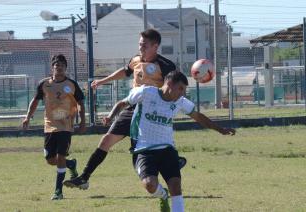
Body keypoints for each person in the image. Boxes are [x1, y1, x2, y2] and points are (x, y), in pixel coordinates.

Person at [63, 28, 186, 189]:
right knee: (106, 140)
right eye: (140, 44)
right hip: (131, 109)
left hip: (150, 113)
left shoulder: (166, 65)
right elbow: (125, 71)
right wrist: (102, 81)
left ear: (155, 46)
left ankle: (169, 163)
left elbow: (173, 89)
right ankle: (84, 177)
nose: (141, 48)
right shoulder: (136, 59)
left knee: (153, 145)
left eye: (144, 45)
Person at [102, 71, 235, 212]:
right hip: (144, 149)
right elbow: (122, 103)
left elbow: (199, 117)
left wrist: (220, 129)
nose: (182, 93)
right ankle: (163, 195)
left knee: (176, 186)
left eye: (184, 90)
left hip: (167, 149)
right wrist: (110, 116)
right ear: (169, 83)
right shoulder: (146, 92)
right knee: (149, 185)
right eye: (180, 88)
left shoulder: (180, 102)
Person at [22, 54, 86, 200]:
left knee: (61, 156)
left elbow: (80, 104)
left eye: (62, 66)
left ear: (65, 68)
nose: (59, 68)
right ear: (52, 68)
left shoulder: (71, 84)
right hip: (49, 126)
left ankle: (58, 191)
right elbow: (35, 101)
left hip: (66, 126)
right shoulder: (44, 84)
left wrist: (82, 122)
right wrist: (27, 117)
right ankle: (71, 164)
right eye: (57, 65)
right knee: (50, 159)